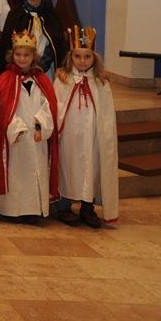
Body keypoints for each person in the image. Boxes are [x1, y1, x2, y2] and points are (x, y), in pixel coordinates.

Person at [54, 25, 119, 227]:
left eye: (87, 57)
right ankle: (64, 206)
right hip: (69, 136)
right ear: (70, 57)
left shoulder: (101, 82)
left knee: (90, 167)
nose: (82, 61)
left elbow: (107, 116)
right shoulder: (62, 79)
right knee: (68, 166)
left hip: (92, 136)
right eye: (78, 56)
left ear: (94, 58)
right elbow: (56, 107)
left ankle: (87, 207)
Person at [0, 30, 59, 224]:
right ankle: (13, 209)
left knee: (36, 172)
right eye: (18, 55)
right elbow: (3, 108)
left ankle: (33, 209)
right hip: (16, 137)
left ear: (34, 56)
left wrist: (40, 126)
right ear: (12, 55)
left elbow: (49, 106)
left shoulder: (42, 80)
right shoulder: (5, 78)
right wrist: (16, 128)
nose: (22, 59)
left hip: (37, 137)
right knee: (16, 173)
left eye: (27, 55)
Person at [0, 0, 67, 79]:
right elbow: (7, 45)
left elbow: (57, 45)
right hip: (20, 70)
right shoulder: (16, 15)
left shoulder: (52, 16)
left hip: (47, 71)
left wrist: (41, 65)